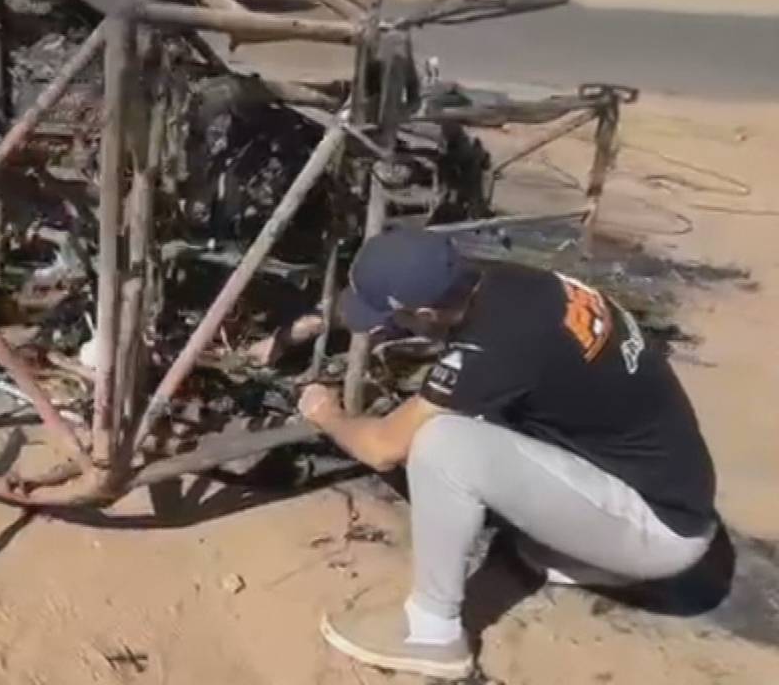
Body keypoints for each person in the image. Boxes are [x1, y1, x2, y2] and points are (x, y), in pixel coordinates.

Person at [297, 228, 717, 680]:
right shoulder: (508, 284)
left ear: (424, 312)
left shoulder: (494, 344)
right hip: (670, 489)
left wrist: (329, 415)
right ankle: (587, 554)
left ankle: (431, 634)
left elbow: (381, 449)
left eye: (395, 319)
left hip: (662, 531)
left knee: (441, 443)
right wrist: (295, 333)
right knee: (472, 418)